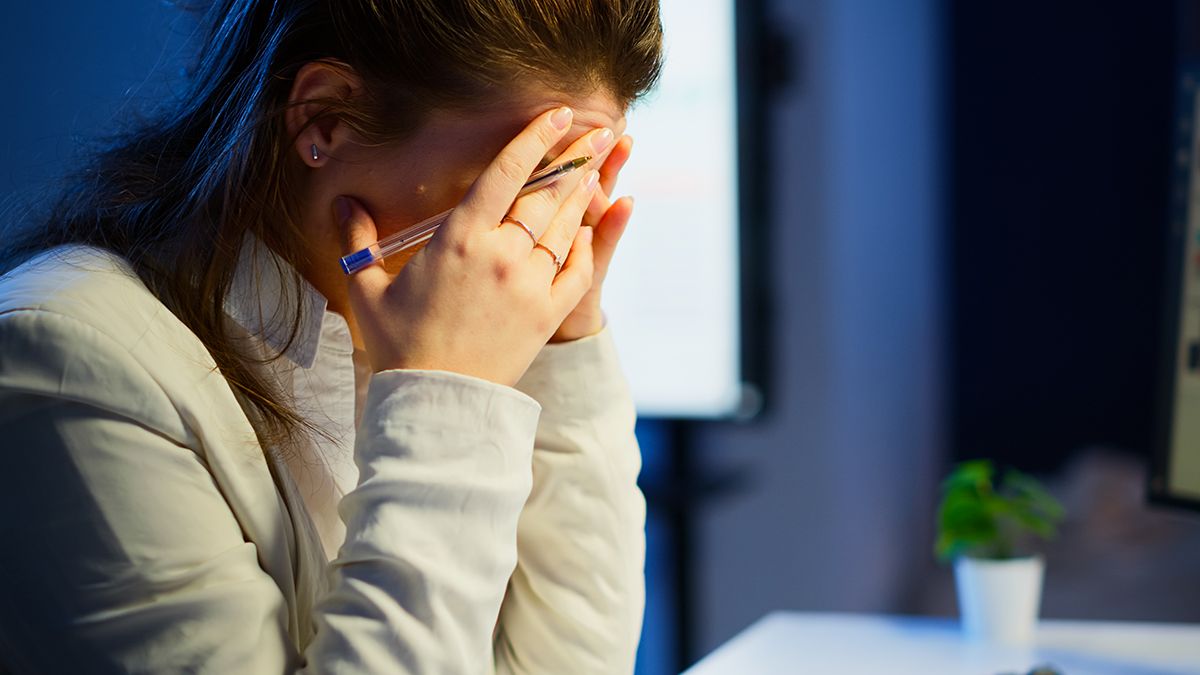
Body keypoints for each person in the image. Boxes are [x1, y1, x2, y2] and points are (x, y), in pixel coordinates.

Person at [0, 0, 663, 672]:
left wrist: (564, 341)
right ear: (326, 117)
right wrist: (445, 402)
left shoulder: (399, 333)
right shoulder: (72, 366)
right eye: (518, 182)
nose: (539, 234)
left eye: (571, 185)